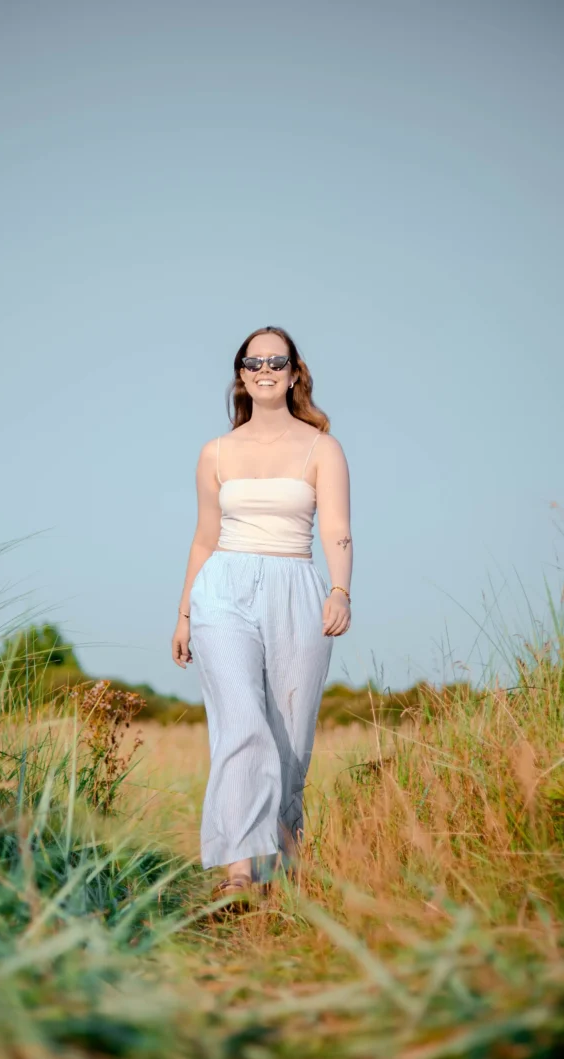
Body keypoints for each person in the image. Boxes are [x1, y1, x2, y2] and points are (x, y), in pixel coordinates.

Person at [171, 325, 352, 900]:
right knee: (240, 722)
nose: (265, 368)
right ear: (241, 375)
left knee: (290, 737)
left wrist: (341, 590)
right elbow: (203, 537)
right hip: (222, 587)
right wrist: (183, 615)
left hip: (296, 584)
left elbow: (338, 530)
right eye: (254, 361)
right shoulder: (215, 452)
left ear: (295, 371)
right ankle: (239, 874)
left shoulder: (322, 448)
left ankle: (284, 862)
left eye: (277, 360)